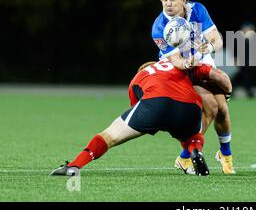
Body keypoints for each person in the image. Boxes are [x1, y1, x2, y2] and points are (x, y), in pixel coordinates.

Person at [50, 59, 232, 177]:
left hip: (154, 104)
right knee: (192, 136)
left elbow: (138, 106)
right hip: (188, 106)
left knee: (110, 135)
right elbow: (220, 76)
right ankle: (195, 150)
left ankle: (74, 166)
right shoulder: (179, 66)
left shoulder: (138, 76)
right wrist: (228, 93)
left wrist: (156, 120)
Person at [151, 0, 235, 174]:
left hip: (202, 61)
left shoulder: (197, 10)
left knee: (222, 108)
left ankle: (225, 155)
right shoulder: (159, 27)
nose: (168, 3)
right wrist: (188, 61)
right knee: (212, 106)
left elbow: (217, 39)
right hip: (177, 70)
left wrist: (210, 48)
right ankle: (187, 155)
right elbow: (176, 61)